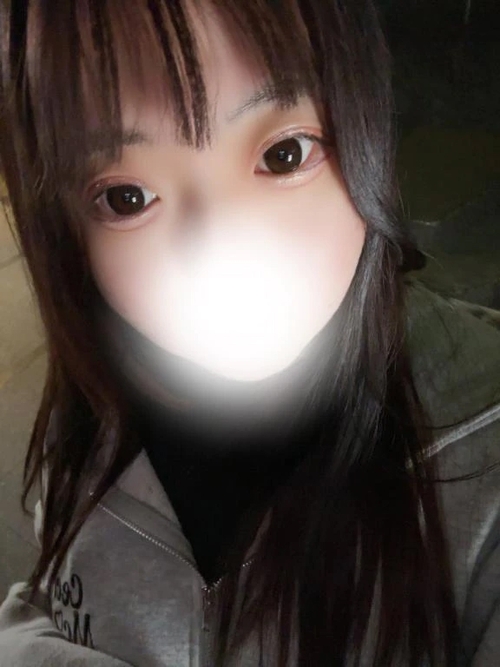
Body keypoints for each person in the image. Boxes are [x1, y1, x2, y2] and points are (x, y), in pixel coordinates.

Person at [0, 1, 498, 665]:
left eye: (284, 154)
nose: (218, 250)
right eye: (125, 198)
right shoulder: (97, 401)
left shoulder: (483, 458)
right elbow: (51, 596)